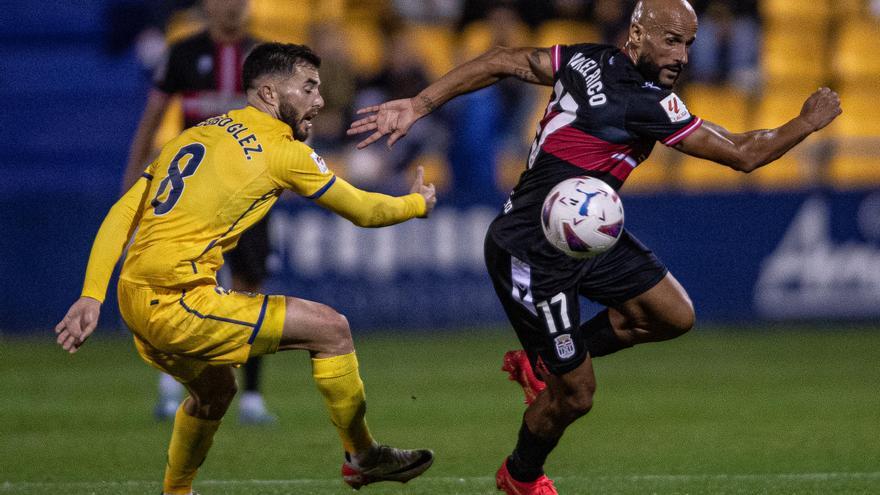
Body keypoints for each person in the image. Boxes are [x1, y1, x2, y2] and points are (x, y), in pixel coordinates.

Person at [347, 1, 841, 493]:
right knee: (576, 395)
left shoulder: (584, 59)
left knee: (673, 314)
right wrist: (807, 122)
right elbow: (743, 153)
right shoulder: (644, 102)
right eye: (671, 40)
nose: (683, 56)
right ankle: (520, 475)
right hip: (531, 250)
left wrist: (418, 103)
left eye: (689, 43)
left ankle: (541, 362)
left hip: (583, 235)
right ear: (638, 35)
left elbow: (502, 59)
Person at [55, 42, 437, 495]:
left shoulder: (197, 133)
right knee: (332, 330)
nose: (319, 100)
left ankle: (176, 491)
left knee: (216, 393)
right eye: (309, 88)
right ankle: (364, 457)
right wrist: (416, 203)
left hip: (134, 294)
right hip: (179, 302)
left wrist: (92, 294)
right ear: (271, 94)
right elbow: (363, 211)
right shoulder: (282, 151)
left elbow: (123, 212)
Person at [121, 0, 276, 424]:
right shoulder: (184, 52)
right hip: (192, 192)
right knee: (179, 287)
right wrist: (131, 186)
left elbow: (288, 121)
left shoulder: (265, 57)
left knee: (249, 289)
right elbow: (152, 119)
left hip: (250, 192)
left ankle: (252, 396)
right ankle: (172, 386)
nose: (232, 5)